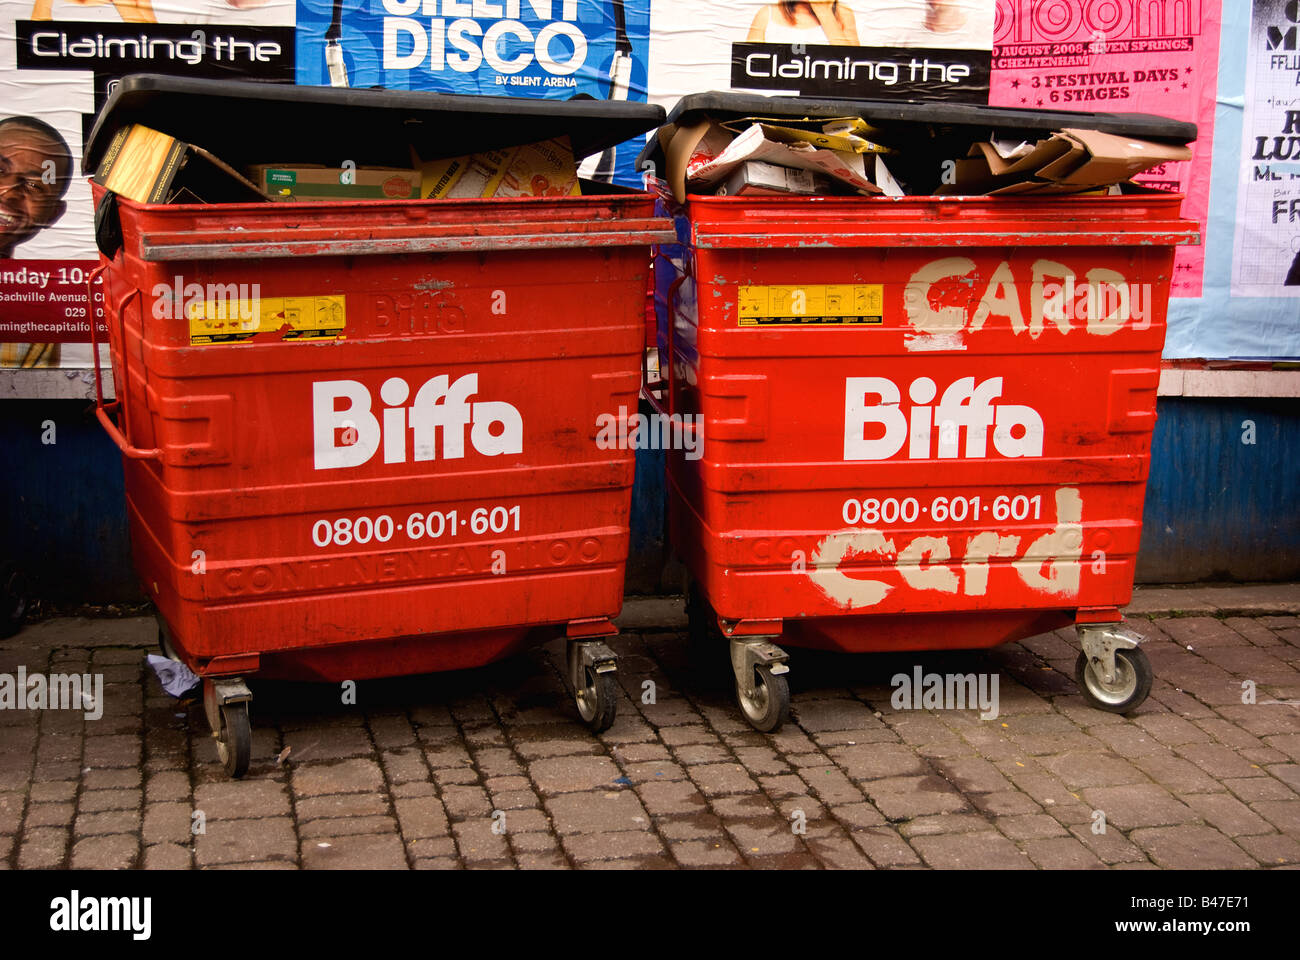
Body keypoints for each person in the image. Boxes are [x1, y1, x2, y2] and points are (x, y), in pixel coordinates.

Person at [0, 116, 74, 368]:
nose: (8, 193)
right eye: (0, 170)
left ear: (52, 214)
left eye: (33, 185)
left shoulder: (34, 324)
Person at [747, 2, 860, 46]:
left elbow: (854, 68)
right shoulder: (767, 14)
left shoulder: (843, 13)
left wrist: (824, 12)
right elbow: (748, 69)